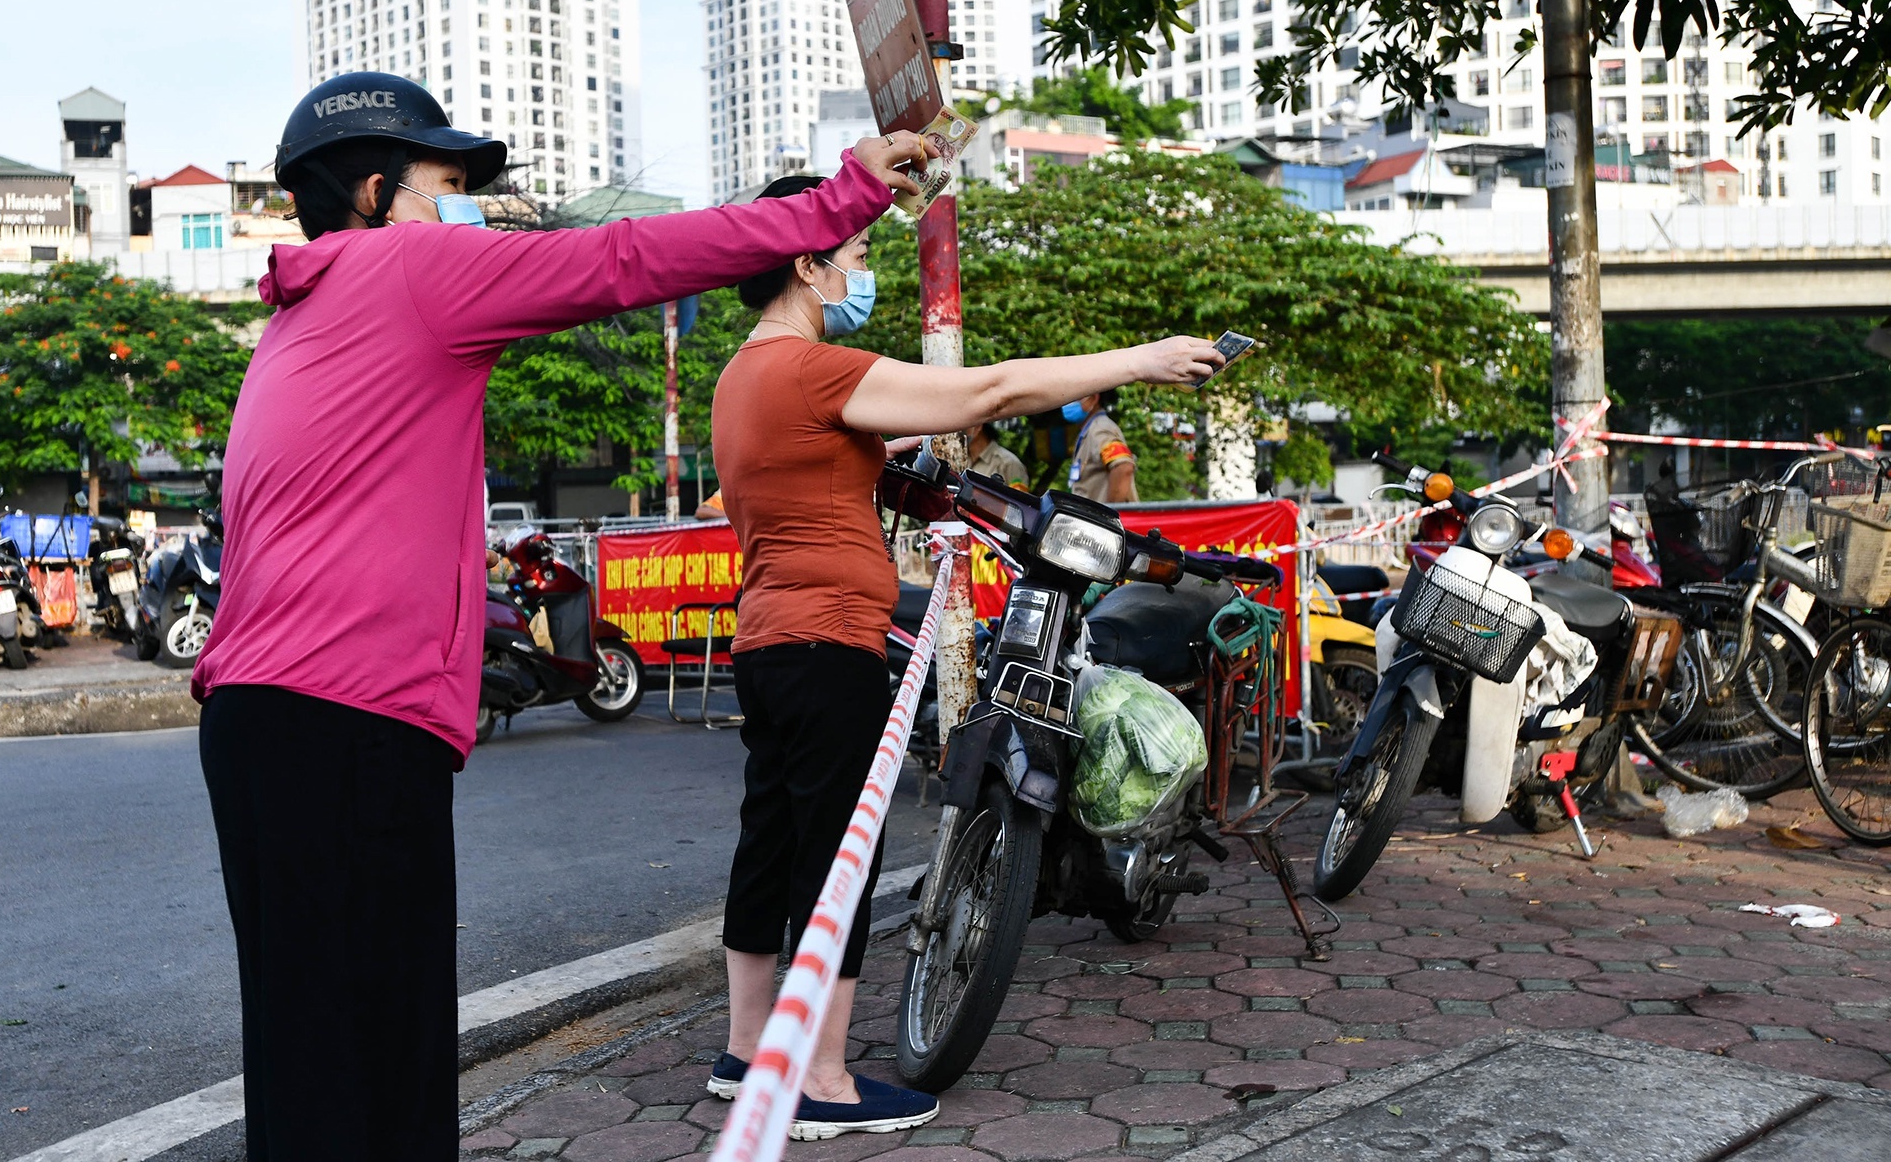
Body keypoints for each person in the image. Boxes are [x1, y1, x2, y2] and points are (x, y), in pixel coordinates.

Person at [190, 73, 930, 1162]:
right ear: (376, 188)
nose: (469, 206)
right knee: (378, 1067)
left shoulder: (295, 323)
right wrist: (841, 199)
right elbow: (630, 260)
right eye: (449, 180)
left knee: (317, 1064)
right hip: (345, 719)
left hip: (261, 721)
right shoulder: (411, 267)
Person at [705, 173, 1223, 1140]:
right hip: (828, 645)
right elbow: (986, 390)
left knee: (770, 842)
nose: (861, 271)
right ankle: (819, 1080)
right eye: (853, 255)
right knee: (837, 862)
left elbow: (834, 457)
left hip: (769, 639)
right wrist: (1143, 358)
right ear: (808, 262)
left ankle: (745, 1051)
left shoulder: (742, 379)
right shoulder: (811, 368)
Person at [1065, 389, 1138, 503]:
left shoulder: (1100, 429)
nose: (1067, 404)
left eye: (1075, 398)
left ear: (1093, 398)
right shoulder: (1088, 431)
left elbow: (1123, 467)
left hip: (1101, 520)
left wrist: (1110, 514)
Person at [966, 421, 1028, 490]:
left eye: (963, 427)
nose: (957, 432)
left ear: (978, 426)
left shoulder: (1009, 463)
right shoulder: (960, 458)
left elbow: (1019, 499)